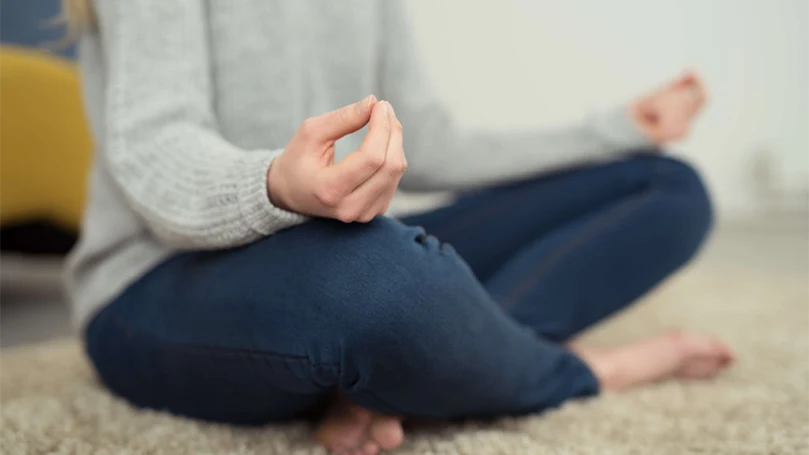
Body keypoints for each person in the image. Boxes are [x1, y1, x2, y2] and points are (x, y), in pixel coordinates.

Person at [64, 1, 734, 454]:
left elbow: (431, 142)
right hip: (156, 280)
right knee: (389, 281)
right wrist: (276, 182)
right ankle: (579, 371)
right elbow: (156, 148)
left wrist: (613, 129)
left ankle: (408, 377)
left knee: (664, 187)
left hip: (322, 245)